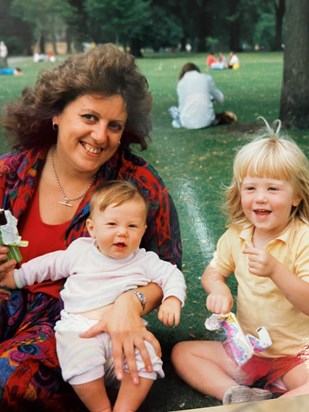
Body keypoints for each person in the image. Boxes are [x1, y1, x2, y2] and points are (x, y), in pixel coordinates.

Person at [0, 43, 182, 410]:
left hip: (78, 320)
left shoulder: (140, 185)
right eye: (89, 118)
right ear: (56, 113)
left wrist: (131, 302)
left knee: (8, 381)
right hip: (9, 295)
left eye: (114, 125)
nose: (100, 136)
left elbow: (168, 269)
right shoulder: (9, 174)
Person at [0, 180, 186, 411]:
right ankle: (100, 408)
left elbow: (172, 274)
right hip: (81, 328)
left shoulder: (144, 260)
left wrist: (172, 299)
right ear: (91, 228)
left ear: (143, 231)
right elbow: (47, 265)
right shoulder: (80, 251)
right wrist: (16, 278)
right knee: (81, 363)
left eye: (132, 226)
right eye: (111, 224)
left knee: (147, 359)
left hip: (127, 328)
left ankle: (124, 408)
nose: (122, 232)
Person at [172, 119, 309, 405]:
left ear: (296, 196)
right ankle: (235, 394)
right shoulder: (238, 235)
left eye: (273, 189)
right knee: (183, 353)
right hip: (247, 351)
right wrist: (218, 289)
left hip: (297, 356)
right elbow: (212, 273)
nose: (260, 198)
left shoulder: (303, 238)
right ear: (239, 192)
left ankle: (269, 406)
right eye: (250, 189)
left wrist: (275, 270)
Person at [168, 62, 237, 129]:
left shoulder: (181, 83)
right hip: (207, 121)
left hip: (187, 123)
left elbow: (182, 107)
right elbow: (221, 99)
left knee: (172, 109)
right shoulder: (206, 78)